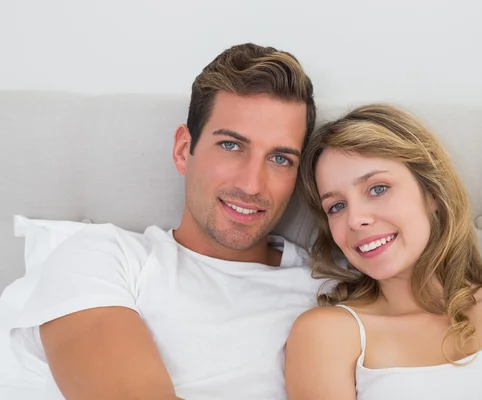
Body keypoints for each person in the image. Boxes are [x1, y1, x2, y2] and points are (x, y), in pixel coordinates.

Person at [9, 43, 321, 400]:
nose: (252, 184)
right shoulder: (104, 260)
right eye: (231, 146)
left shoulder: (328, 291)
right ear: (181, 150)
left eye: (280, 159)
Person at [285, 103, 482, 400]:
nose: (355, 219)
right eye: (336, 206)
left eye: (378, 188)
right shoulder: (327, 333)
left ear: (431, 193)